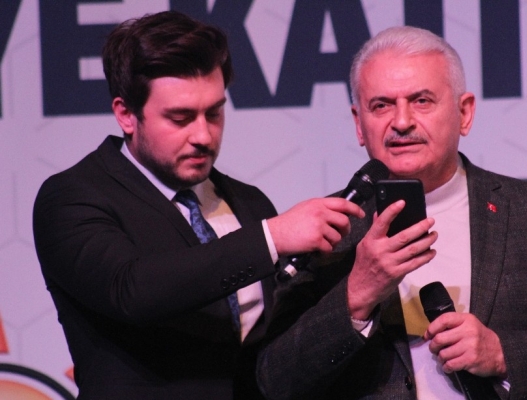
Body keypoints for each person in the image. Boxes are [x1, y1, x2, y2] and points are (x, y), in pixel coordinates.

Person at [257, 26, 527, 399]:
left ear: (465, 112)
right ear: (359, 124)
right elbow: (272, 382)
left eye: (422, 101)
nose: (402, 122)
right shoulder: (325, 231)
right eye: (382, 105)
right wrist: (355, 297)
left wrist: (503, 354)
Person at [32, 11, 362, 400]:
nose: (203, 135)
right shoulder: (73, 196)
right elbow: (131, 290)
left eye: (214, 112)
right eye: (181, 118)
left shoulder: (249, 202)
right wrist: (270, 238)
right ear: (126, 114)